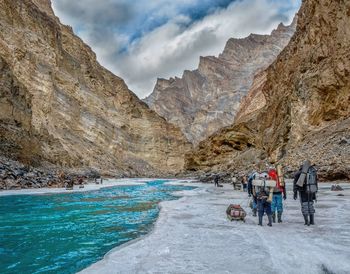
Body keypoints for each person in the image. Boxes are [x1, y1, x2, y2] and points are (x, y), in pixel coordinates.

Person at [293, 161, 318, 226]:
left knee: (304, 205)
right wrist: (315, 193)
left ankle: (306, 221)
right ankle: (312, 221)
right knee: (310, 205)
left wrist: (295, 192)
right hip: (311, 191)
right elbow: (316, 183)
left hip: (302, 191)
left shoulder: (299, 173)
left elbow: (295, 183)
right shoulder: (313, 172)